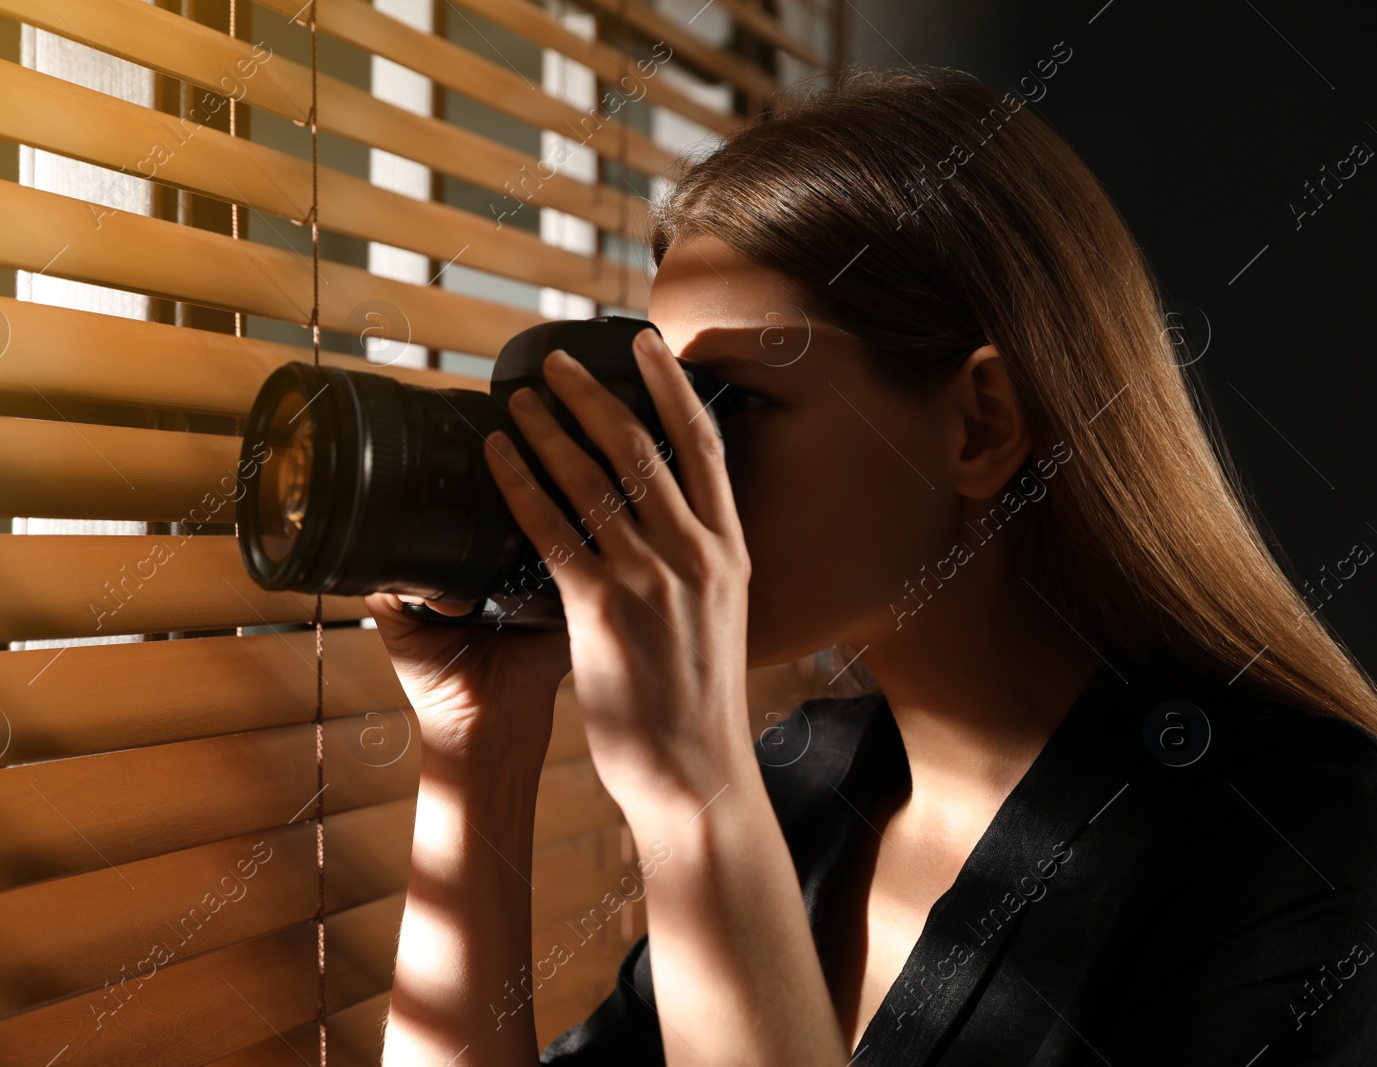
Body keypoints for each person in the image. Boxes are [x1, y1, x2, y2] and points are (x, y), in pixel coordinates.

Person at [364, 65, 1377, 1065]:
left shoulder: (1309, 855)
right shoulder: (806, 786)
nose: (664, 473)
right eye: (658, 403)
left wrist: (690, 785)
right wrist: (478, 746)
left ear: (979, 424)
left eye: (730, 405)